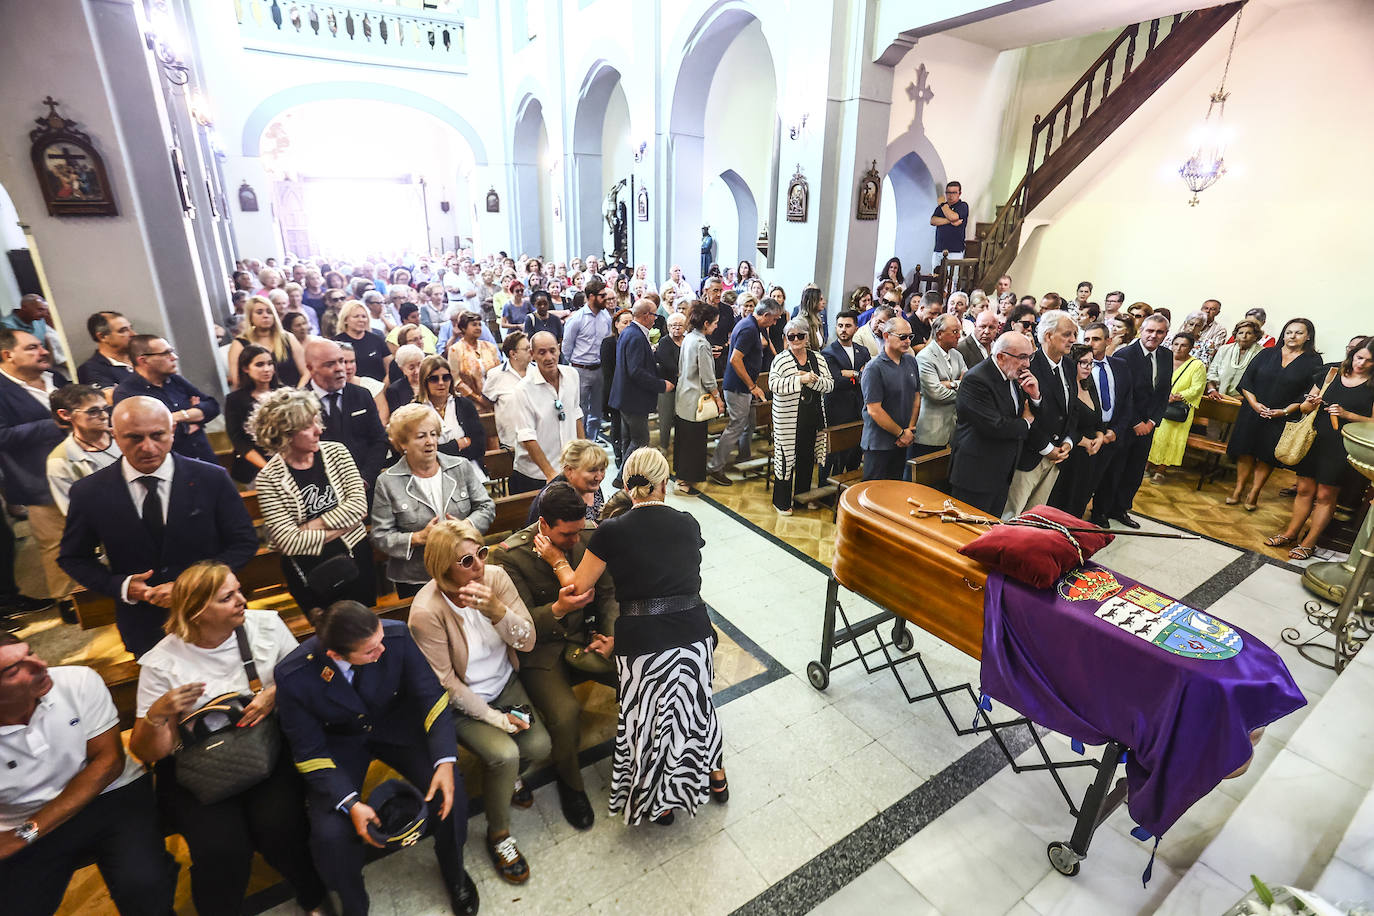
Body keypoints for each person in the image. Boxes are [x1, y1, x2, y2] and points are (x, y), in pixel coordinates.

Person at [532, 448, 726, 825]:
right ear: (664, 484)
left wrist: (557, 560)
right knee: (696, 708)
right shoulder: (688, 522)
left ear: (626, 484)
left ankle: (661, 802)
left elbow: (578, 591)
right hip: (694, 635)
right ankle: (713, 777)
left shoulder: (612, 531)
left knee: (651, 720)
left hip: (644, 643)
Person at [129, 562, 328, 916]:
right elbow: (149, 752)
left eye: (238, 590)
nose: (241, 600)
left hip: (264, 749)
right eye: (227, 597)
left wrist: (274, 693)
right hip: (197, 768)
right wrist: (158, 714)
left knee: (281, 827)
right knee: (220, 850)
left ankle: (314, 897)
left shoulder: (266, 626)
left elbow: (306, 678)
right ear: (197, 611)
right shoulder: (161, 663)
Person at [274, 601, 479, 916]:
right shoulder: (294, 675)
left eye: (381, 639)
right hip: (339, 743)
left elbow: (431, 697)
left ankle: (454, 870)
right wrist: (351, 803)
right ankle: (354, 903)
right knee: (330, 835)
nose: (382, 650)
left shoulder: (394, 636)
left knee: (452, 794)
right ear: (336, 656)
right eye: (370, 651)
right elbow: (308, 751)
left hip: (393, 724)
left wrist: (444, 761)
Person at [59, 397, 258, 657]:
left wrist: (195, 586)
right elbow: (73, 557)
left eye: (157, 435)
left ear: (172, 432)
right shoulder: (90, 492)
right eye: (135, 438)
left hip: (213, 614)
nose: (148, 447)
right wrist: (122, 586)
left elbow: (243, 542)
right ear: (115, 436)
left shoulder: (210, 478)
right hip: (145, 625)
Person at [406, 519, 545, 884]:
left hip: (505, 683)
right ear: (442, 567)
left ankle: (510, 779)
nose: (479, 565)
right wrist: (495, 720)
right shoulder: (426, 611)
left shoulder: (496, 578)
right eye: (466, 561)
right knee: (505, 754)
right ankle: (499, 834)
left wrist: (497, 610)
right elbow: (446, 682)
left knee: (541, 746)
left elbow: (527, 640)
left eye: (481, 553)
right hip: (463, 702)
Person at [0, 633, 178, 916]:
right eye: (14, 670)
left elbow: (108, 763)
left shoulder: (76, 681)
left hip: (109, 795)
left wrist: (27, 832)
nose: (41, 665)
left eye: (31, 653)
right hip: (22, 814)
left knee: (144, 888)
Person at [489, 483, 616, 833]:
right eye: (566, 534)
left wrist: (610, 634)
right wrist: (559, 608)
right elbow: (522, 624)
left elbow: (608, 596)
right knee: (565, 714)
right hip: (542, 649)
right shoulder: (509, 556)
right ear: (543, 525)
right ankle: (571, 782)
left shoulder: (590, 535)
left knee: (632, 674)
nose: (575, 540)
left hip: (587, 637)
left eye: (578, 532)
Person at [251, 388, 377, 612]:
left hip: (356, 558)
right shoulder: (269, 479)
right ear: (286, 433)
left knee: (369, 625)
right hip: (311, 571)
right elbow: (288, 542)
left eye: (316, 420)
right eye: (308, 426)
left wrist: (308, 527)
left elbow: (359, 507)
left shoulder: (337, 453)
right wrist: (344, 525)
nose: (319, 430)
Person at [1265, 339, 1374, 560]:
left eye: (1369, 361)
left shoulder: (1372, 385)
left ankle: (1310, 541)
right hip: (1314, 437)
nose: (1361, 364)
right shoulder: (1330, 373)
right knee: (1304, 489)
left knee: (1326, 494)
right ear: (1352, 354)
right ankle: (1290, 533)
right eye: (1359, 357)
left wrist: (1348, 415)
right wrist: (1311, 403)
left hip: (1342, 444)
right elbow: (1304, 407)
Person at [372, 405, 495, 598]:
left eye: (433, 434)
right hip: (417, 578)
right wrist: (417, 538)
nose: (430, 442)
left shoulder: (460, 467)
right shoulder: (387, 482)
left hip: (465, 569)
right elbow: (380, 536)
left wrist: (465, 526)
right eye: (421, 436)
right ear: (403, 443)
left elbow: (486, 507)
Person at [0, 329, 71, 607]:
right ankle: (69, 602)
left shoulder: (57, 378)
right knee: (56, 543)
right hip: (39, 480)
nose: (43, 352)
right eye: (32, 348)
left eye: (41, 346)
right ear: (8, 355)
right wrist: (54, 423)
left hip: (85, 470)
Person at [1225, 318, 1325, 511]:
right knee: (1245, 450)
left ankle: (1254, 492)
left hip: (1283, 415)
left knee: (1267, 455)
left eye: (1298, 332)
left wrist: (1285, 411)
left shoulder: (1313, 361)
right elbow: (1247, 381)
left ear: (1308, 336)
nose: (1292, 336)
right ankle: (1238, 489)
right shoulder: (1266, 353)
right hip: (1253, 411)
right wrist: (1254, 404)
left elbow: (1307, 393)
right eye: (1289, 332)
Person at [1091, 312, 1174, 528]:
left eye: (1159, 332)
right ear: (1141, 331)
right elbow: (1123, 394)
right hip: (1126, 424)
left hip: (1148, 426)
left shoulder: (1166, 355)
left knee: (1135, 471)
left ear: (1166, 334)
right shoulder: (1125, 355)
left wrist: (1152, 421)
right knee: (1114, 470)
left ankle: (1120, 509)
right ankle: (1100, 511)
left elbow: (1164, 392)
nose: (1154, 336)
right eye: (1150, 330)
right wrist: (1136, 422)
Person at [949, 332, 1039, 517]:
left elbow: (1025, 411)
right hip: (976, 475)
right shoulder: (977, 380)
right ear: (1000, 356)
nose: (1027, 364)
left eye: (1029, 357)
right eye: (1022, 357)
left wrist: (1035, 397)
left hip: (1001, 472)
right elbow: (995, 426)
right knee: (967, 533)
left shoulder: (1012, 374)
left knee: (990, 530)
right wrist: (1025, 423)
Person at [1005, 311, 1079, 517]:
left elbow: (1073, 409)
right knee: (1012, 514)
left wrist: (1068, 442)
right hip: (1030, 454)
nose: (1073, 340)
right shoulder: (1028, 365)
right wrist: (1047, 448)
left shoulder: (1069, 366)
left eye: (1074, 334)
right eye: (1067, 334)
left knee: (1034, 516)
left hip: (1057, 456)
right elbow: (1025, 413)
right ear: (1048, 336)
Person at [707, 298, 782, 486]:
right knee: (736, 426)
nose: (775, 323)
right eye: (774, 319)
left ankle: (743, 457)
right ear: (765, 315)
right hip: (738, 387)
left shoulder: (755, 325)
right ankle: (715, 467)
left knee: (749, 422)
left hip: (743, 386)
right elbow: (735, 359)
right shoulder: (749, 329)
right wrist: (751, 386)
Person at [113, 334, 220, 464]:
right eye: (166, 354)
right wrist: (191, 420)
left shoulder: (175, 380)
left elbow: (213, 406)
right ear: (143, 360)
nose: (174, 357)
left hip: (205, 458)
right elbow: (147, 432)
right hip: (171, 465)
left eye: (172, 352)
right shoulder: (127, 392)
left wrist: (179, 416)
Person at [769, 318, 835, 514]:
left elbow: (829, 384)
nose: (796, 339)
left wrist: (811, 381)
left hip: (811, 417)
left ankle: (801, 499)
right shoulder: (781, 359)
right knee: (785, 459)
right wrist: (799, 380)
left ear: (808, 337)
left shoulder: (818, 358)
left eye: (800, 336)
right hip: (787, 420)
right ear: (786, 339)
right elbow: (774, 385)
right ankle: (781, 501)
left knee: (806, 460)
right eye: (791, 336)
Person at [303, 338, 388, 489]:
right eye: (330, 364)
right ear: (311, 368)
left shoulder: (362, 395)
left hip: (364, 485)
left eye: (341, 361)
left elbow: (379, 439)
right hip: (320, 491)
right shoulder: (300, 404)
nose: (340, 368)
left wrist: (366, 478)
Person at [512, 331, 585, 494]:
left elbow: (576, 415)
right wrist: (550, 474)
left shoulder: (572, 375)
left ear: (559, 349)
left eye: (552, 351)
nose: (549, 357)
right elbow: (527, 437)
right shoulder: (523, 390)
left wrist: (585, 456)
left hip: (570, 470)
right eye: (542, 352)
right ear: (532, 355)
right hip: (536, 475)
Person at [610, 301, 673, 487]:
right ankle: (622, 478)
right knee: (640, 440)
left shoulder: (629, 332)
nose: (655, 319)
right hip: (634, 398)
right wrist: (661, 385)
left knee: (628, 439)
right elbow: (636, 371)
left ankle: (627, 472)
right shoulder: (636, 336)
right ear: (646, 315)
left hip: (625, 396)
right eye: (654, 315)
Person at [1080, 323, 1135, 527]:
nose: (1090, 344)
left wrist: (1116, 431)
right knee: (1086, 479)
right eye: (1086, 339)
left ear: (1108, 341)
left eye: (1095, 339)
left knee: (1110, 475)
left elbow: (1128, 401)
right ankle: (1075, 515)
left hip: (1113, 429)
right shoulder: (1077, 366)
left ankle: (1100, 514)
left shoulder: (1120, 365)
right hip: (1090, 431)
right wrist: (1095, 432)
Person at [1048, 344, 1108, 517]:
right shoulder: (1065, 388)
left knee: (1080, 498)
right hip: (1070, 452)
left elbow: (1098, 418)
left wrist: (1099, 435)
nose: (1088, 368)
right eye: (1083, 363)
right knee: (1062, 499)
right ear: (1072, 363)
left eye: (1091, 363)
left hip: (1089, 453)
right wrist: (1085, 442)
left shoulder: (1089, 384)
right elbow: (1064, 424)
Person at [860, 316, 921, 481]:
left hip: (903, 440)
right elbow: (874, 409)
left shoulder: (910, 361)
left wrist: (910, 429)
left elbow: (916, 396)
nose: (908, 341)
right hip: (879, 443)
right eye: (902, 337)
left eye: (910, 336)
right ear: (886, 336)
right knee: (873, 494)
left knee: (893, 492)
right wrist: (901, 433)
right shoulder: (874, 368)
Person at [46, 384, 121, 518]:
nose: (104, 416)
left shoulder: (124, 437)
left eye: (105, 409)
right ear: (65, 414)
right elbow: (74, 512)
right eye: (93, 411)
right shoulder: (60, 461)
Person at [1147, 332, 1208, 482]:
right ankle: (1145, 466)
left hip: (1177, 408)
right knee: (1152, 436)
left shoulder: (1197, 365)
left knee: (1169, 439)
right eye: (1176, 344)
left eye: (1184, 345)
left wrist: (1175, 396)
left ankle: (1161, 470)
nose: (1179, 348)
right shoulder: (1163, 359)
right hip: (1157, 405)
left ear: (1190, 348)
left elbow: (1197, 388)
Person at [562, 277, 614, 443]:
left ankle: (590, 441)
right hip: (580, 370)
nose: (605, 299)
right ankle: (579, 442)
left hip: (599, 369)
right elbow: (567, 347)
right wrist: (576, 365)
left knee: (597, 410)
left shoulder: (605, 316)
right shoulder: (577, 319)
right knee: (579, 409)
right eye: (602, 295)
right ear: (591, 297)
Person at [819, 309, 869, 479]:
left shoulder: (863, 351)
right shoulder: (828, 352)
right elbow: (836, 381)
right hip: (837, 409)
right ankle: (825, 489)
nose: (843, 329)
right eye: (840, 326)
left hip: (857, 408)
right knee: (831, 455)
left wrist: (852, 374)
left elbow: (866, 378)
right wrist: (858, 375)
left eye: (848, 326)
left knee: (854, 452)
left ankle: (845, 489)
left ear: (856, 328)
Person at [912, 313, 968, 462]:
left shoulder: (957, 355)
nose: (959, 336)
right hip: (929, 432)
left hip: (951, 430)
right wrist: (958, 384)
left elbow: (969, 385)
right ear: (940, 334)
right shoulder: (925, 357)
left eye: (960, 332)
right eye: (955, 332)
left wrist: (950, 384)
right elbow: (936, 394)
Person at [414, 356, 486, 469]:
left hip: (468, 467)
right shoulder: (415, 410)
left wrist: (441, 449)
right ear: (424, 381)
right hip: (431, 471)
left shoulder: (464, 404)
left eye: (446, 377)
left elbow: (479, 446)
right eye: (434, 379)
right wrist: (457, 444)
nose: (441, 383)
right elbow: (419, 452)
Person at [223, 344, 279, 485]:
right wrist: (267, 468)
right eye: (259, 365)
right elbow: (238, 440)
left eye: (270, 364)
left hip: (289, 461)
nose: (266, 369)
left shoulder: (286, 393)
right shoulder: (234, 400)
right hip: (254, 468)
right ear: (246, 368)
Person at [228, 296, 307, 388]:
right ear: (250, 317)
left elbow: (306, 372)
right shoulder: (240, 343)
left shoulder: (288, 338)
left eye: (269, 312)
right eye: (259, 312)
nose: (265, 316)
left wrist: (297, 393)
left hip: (294, 395)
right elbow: (237, 381)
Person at [525, 438, 608, 526]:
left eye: (602, 470)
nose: (599, 477)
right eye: (592, 470)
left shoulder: (592, 487)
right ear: (569, 470)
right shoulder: (554, 500)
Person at [484, 331, 533, 450]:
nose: (531, 352)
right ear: (513, 353)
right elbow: (487, 400)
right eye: (526, 349)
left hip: (539, 437)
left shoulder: (538, 372)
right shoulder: (496, 375)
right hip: (511, 442)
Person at [447, 311, 500, 410]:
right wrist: (479, 399)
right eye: (474, 325)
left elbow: (499, 374)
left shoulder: (490, 347)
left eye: (480, 325)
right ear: (463, 328)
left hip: (496, 400)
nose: (478, 328)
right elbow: (456, 381)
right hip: (471, 404)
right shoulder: (455, 350)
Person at [599, 308, 633, 460]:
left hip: (634, 391)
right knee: (617, 424)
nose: (628, 325)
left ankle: (630, 454)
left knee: (632, 427)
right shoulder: (608, 343)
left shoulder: (636, 340)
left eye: (631, 322)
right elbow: (608, 373)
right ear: (616, 325)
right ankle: (619, 454)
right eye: (625, 322)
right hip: (616, 390)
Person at [77, 311, 135, 397]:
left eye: (131, 328)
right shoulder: (92, 369)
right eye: (123, 331)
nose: (133, 334)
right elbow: (111, 399)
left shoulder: (142, 357)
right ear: (102, 337)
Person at [333, 301, 392, 384]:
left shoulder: (377, 339)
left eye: (364, 316)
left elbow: (390, 368)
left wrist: (382, 388)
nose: (361, 320)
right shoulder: (336, 343)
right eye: (356, 316)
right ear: (345, 320)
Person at [1206, 319, 1264, 401]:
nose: (1244, 336)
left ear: (1255, 337)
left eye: (1249, 333)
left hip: (1245, 402)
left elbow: (1260, 382)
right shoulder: (1224, 349)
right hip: (1217, 397)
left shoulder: (1262, 354)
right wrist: (1212, 390)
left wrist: (1242, 398)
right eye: (1240, 333)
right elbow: (1212, 373)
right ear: (1235, 336)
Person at [655, 312, 687, 452]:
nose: (677, 328)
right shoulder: (664, 342)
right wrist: (683, 373)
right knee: (666, 419)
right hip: (669, 385)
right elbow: (667, 363)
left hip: (685, 387)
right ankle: (664, 446)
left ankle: (680, 444)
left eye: (680, 325)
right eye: (673, 326)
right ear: (668, 327)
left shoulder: (687, 341)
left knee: (682, 418)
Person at [929, 180, 969, 268]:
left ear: (959, 193)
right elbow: (933, 221)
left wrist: (943, 204)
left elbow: (953, 217)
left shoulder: (962, 206)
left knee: (951, 280)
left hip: (955, 251)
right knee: (935, 278)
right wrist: (950, 221)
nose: (950, 195)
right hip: (939, 249)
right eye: (948, 192)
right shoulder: (940, 208)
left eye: (954, 192)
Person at [385, 343, 427, 417]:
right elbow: (396, 417)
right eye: (411, 368)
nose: (417, 371)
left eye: (419, 365)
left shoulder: (432, 382)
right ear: (402, 369)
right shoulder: (394, 390)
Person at [792, 284, 827, 350]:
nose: (824, 302)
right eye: (820, 299)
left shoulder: (818, 320)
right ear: (812, 301)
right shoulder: (800, 323)